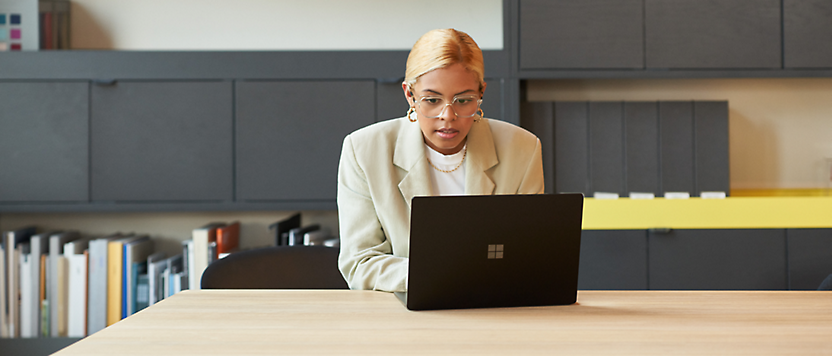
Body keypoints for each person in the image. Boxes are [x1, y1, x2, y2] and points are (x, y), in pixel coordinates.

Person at [337, 28, 544, 292]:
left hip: (491, 309)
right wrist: (443, 274)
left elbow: (530, 256)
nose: (448, 115)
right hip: (404, 313)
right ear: (410, 95)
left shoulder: (522, 149)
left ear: (481, 92)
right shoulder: (364, 150)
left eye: (464, 100)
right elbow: (360, 264)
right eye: (432, 100)